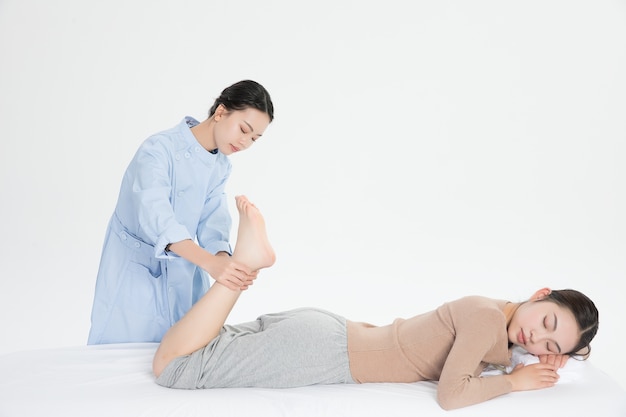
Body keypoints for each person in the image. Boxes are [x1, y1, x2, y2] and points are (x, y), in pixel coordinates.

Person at [151, 196, 599, 410]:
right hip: (324, 354)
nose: (535, 337)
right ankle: (245, 265)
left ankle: (245, 263)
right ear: (541, 294)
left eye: (549, 345)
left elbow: (506, 346)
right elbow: (452, 394)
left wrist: (538, 355)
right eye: (546, 321)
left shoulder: (496, 311)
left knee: (206, 345)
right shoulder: (485, 320)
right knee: (176, 368)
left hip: (326, 333)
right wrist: (516, 383)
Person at [87, 80, 275, 345]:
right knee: (120, 359)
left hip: (187, 268)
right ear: (220, 113)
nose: (245, 142)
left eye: (255, 139)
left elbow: (213, 219)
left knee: (179, 355)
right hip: (136, 272)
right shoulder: (157, 150)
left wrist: (225, 260)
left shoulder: (219, 165)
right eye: (244, 130)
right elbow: (157, 217)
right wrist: (211, 263)